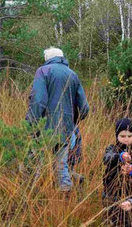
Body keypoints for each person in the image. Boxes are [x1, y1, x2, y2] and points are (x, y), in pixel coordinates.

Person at [26, 47, 89, 192]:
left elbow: (38, 100)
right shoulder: (73, 75)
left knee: (35, 164)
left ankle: (32, 195)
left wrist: (31, 123)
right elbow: (84, 108)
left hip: (43, 127)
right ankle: (66, 196)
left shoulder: (43, 71)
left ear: (47, 58)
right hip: (66, 128)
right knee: (61, 167)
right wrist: (73, 121)